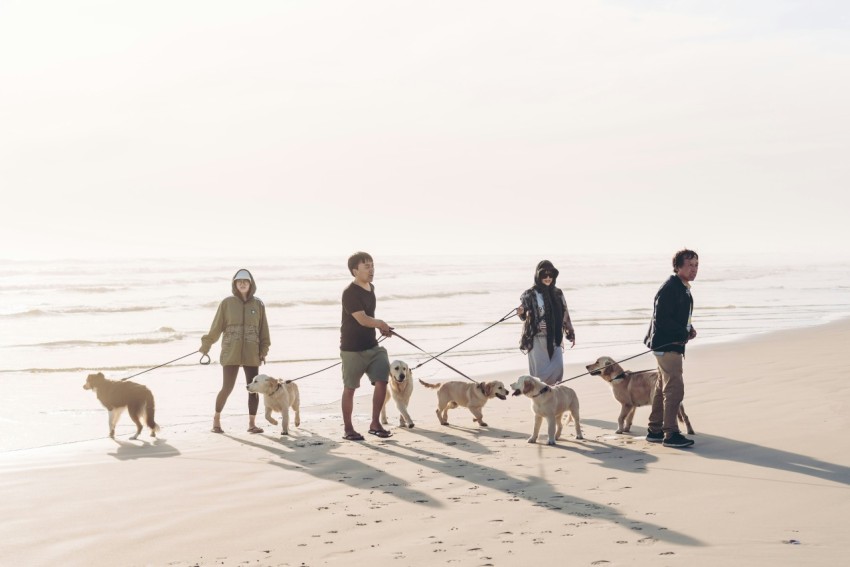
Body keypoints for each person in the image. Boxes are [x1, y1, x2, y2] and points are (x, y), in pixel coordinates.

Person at [200, 268, 271, 434]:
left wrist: (264, 349)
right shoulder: (227, 303)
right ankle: (216, 421)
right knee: (227, 387)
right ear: (235, 284)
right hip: (230, 351)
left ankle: (252, 424)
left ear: (251, 284)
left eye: (246, 281)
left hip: (252, 352)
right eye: (239, 281)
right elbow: (216, 327)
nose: (243, 284)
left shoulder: (258, 304)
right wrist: (206, 345)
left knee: (254, 389)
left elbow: (264, 330)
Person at [644, 249, 699, 448]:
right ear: (677, 267)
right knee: (674, 388)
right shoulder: (671, 287)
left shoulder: (681, 287)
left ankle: (655, 430)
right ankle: (671, 433)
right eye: (689, 265)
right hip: (667, 345)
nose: (694, 269)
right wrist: (682, 332)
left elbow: (677, 316)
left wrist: (688, 329)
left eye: (696, 265)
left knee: (662, 387)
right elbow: (661, 319)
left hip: (669, 343)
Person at [339, 251, 393, 440]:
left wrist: (381, 329)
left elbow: (369, 317)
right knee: (350, 388)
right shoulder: (349, 293)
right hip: (352, 348)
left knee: (382, 379)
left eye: (372, 266)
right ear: (355, 271)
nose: (371, 270)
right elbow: (362, 319)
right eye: (366, 266)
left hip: (372, 346)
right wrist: (380, 324)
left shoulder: (371, 288)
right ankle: (348, 429)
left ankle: (375, 423)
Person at [517, 260, 576, 385]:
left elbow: (565, 313)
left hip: (555, 337)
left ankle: (553, 395)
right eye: (544, 275)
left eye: (551, 275)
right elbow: (524, 313)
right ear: (538, 276)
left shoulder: (558, 293)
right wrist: (521, 312)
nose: (548, 278)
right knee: (540, 376)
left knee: (558, 370)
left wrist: (570, 332)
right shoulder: (530, 294)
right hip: (537, 338)